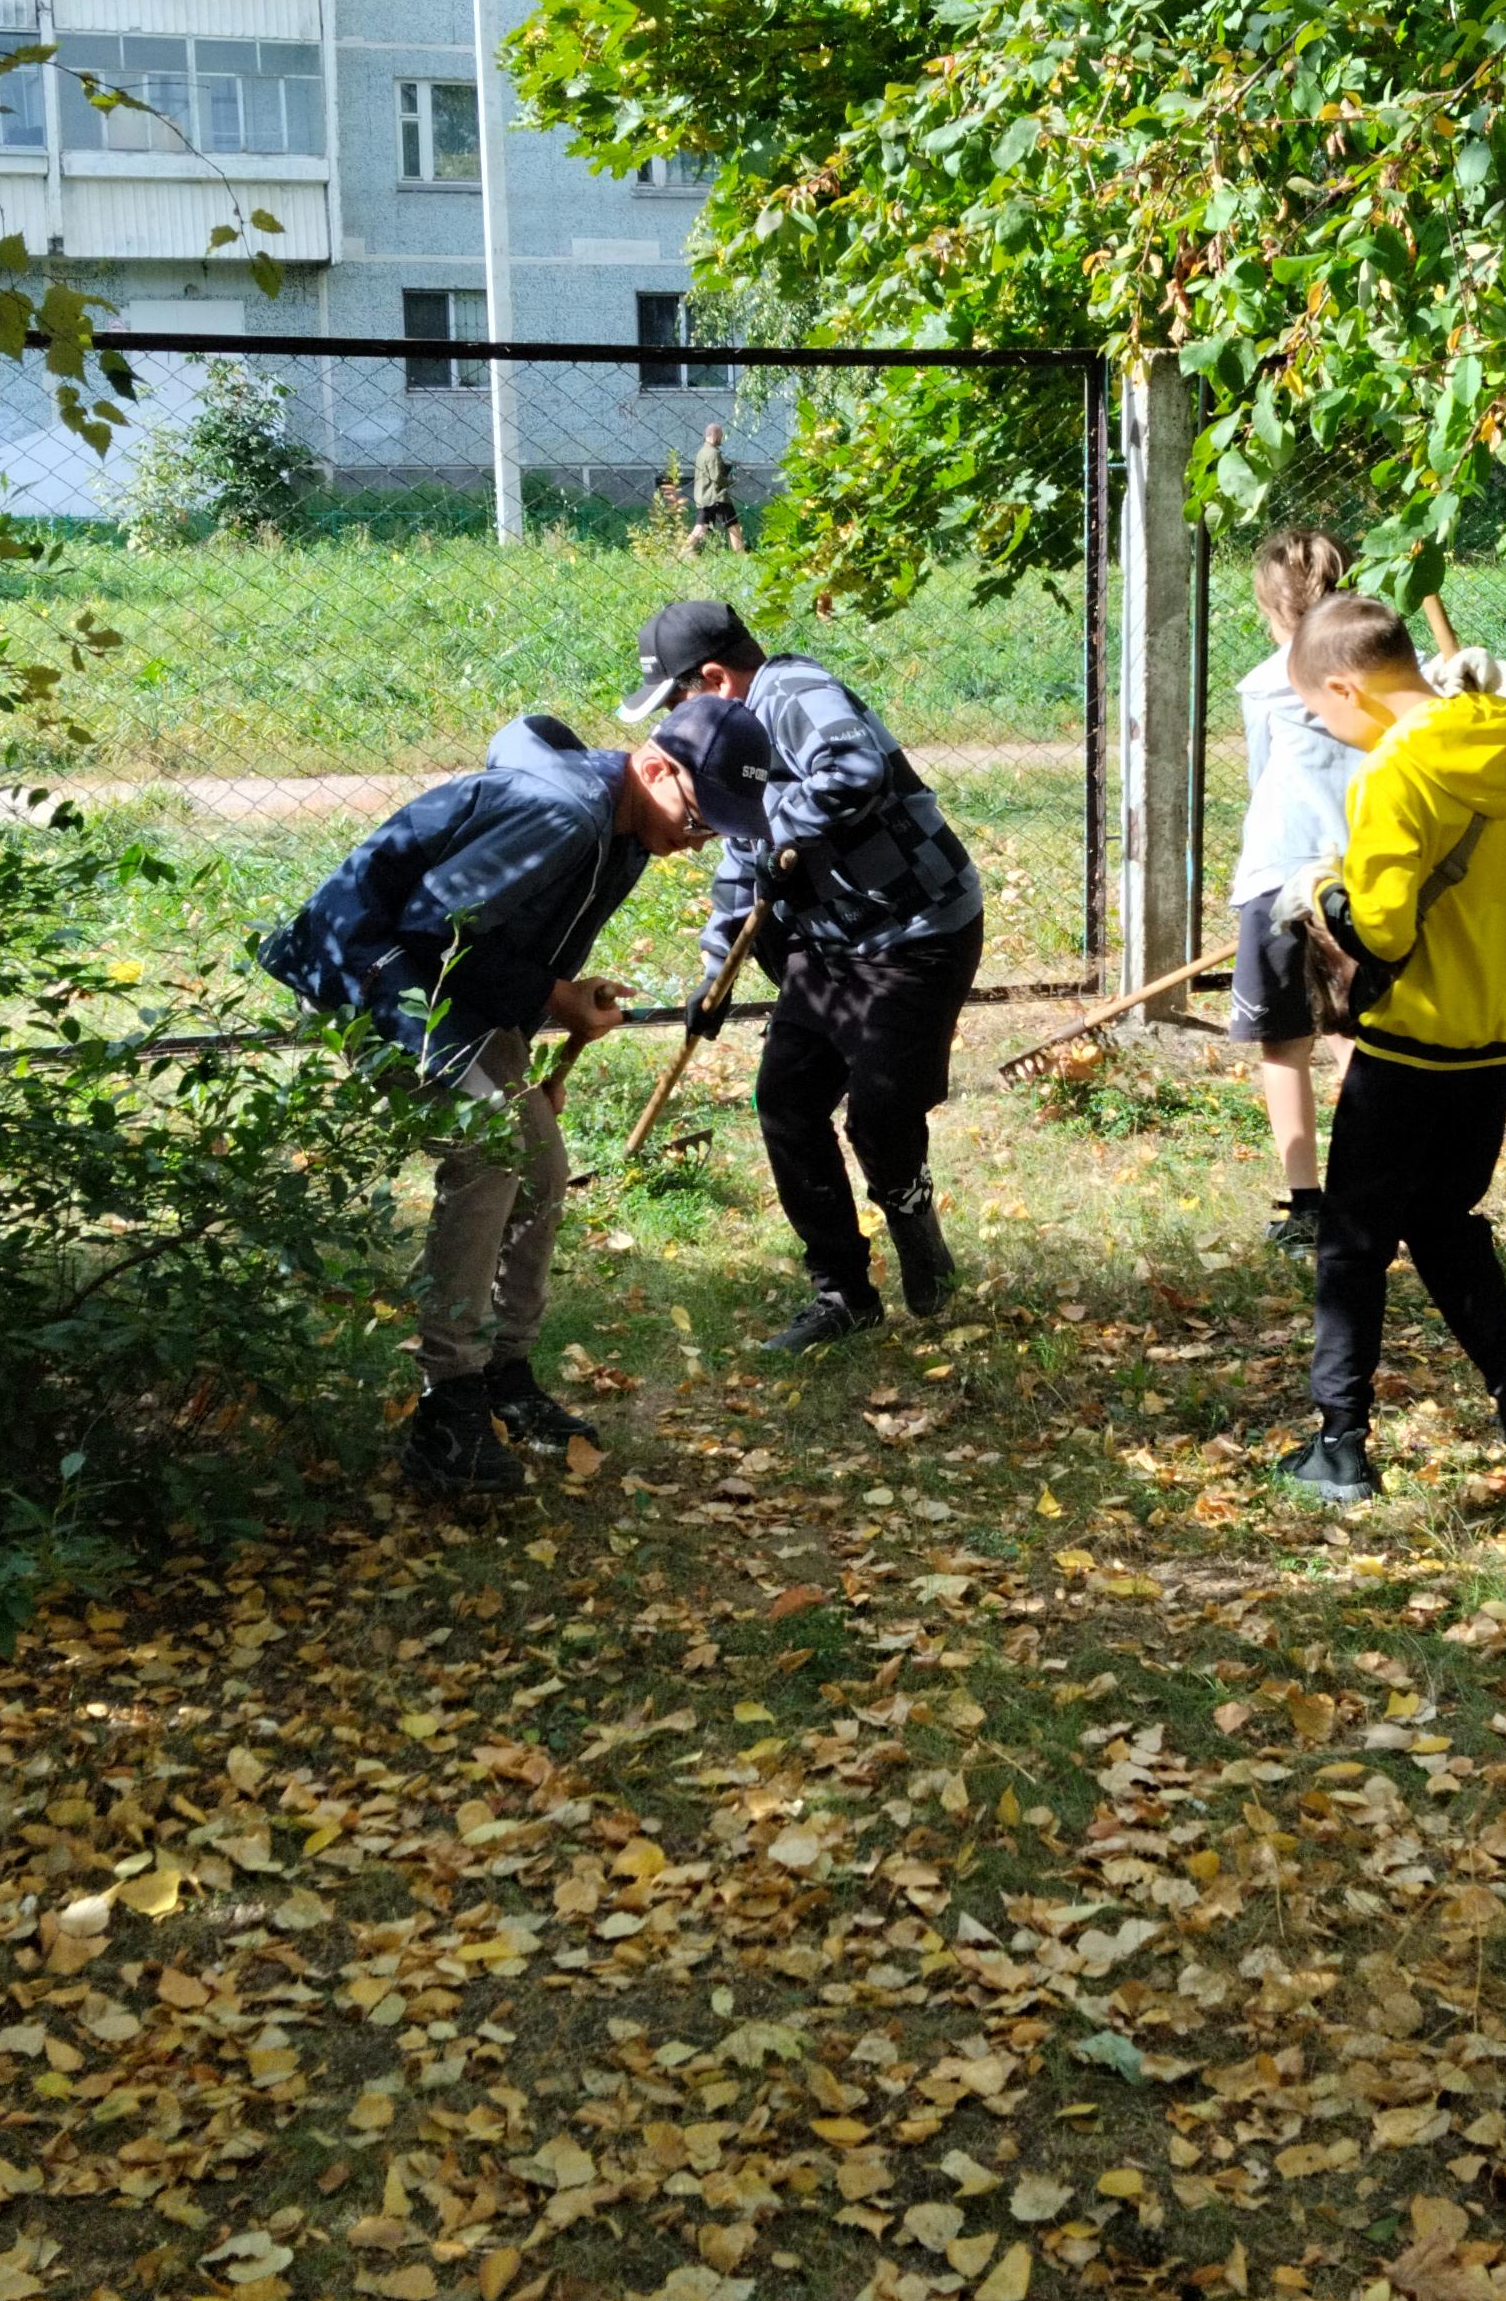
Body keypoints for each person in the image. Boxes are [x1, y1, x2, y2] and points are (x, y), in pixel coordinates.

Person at [258, 713, 710, 1501]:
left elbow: (512, 940)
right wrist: (556, 999)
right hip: (371, 974)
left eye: (720, 830)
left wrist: (536, 1034)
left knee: (541, 1167)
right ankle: (447, 1409)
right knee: (492, 1148)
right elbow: (433, 931)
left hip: (444, 987)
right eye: (700, 817)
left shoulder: (629, 830)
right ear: (655, 768)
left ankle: (504, 1376)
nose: (701, 840)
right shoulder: (565, 813)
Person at [1270, 594, 1506, 1506]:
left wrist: (1321, 892)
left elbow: (1379, 934)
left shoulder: (1393, 775)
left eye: (1321, 710)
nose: (1325, 727)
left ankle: (1339, 1444)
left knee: (1351, 1242)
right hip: (1491, 1041)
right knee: (1441, 1221)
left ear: (1349, 687)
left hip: (1410, 1048)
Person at [621, 599, 986, 1351]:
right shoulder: (729, 738)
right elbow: (736, 857)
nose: (673, 720)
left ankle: (910, 1214)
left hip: (914, 933)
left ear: (715, 679)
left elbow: (854, 770)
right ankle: (842, 1291)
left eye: (677, 697)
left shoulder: (793, 692)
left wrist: (773, 821)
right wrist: (714, 970)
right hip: (829, 945)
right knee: (787, 1102)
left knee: (880, 1117)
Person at [1226, 530, 1374, 1259]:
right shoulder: (1379, 679)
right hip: (1365, 877)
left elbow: (1264, 784)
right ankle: (1373, 1191)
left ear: (1268, 607)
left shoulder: (1262, 687)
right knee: (1356, 1037)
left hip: (1278, 877)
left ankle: (1304, 1206)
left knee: (1283, 1047)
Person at [687, 422, 745, 553]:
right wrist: (732, 482)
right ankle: (741, 554)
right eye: (721, 435)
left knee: (700, 527)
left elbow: (709, 472)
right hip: (716, 497)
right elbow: (716, 477)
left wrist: (728, 467)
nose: (721, 439)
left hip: (703, 496)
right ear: (714, 435)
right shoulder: (714, 453)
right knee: (733, 524)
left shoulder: (702, 452)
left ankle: (681, 553)